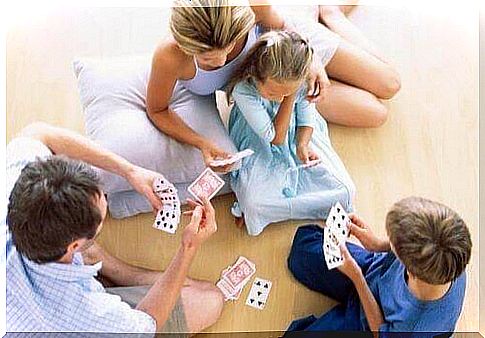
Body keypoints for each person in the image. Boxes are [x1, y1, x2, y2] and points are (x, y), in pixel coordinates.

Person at [5, 122, 223, 334]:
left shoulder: (12, 183)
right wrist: (189, 246)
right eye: (102, 211)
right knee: (210, 299)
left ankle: (95, 260)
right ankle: (98, 263)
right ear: (74, 245)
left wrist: (130, 171)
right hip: (63, 316)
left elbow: (38, 133)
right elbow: (147, 325)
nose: (106, 202)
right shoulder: (85, 311)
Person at [146, 0, 400, 174]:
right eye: (209, 59)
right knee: (375, 113)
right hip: (267, 88)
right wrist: (202, 142)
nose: (223, 61)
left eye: (231, 45)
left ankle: (330, 13)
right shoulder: (169, 57)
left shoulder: (250, 5)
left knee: (390, 84)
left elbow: (281, 27)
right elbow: (157, 110)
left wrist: (310, 59)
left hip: (287, 48)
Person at [226, 30, 355, 236]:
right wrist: (290, 95)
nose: (278, 98)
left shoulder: (300, 80)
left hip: (296, 133)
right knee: (253, 203)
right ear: (255, 75)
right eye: (272, 93)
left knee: (346, 190)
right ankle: (261, 205)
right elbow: (274, 138)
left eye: (285, 93)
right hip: (262, 139)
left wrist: (302, 144)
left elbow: (306, 118)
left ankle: (288, 206)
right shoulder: (244, 91)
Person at [286, 197, 471, 336]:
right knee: (304, 248)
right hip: (374, 273)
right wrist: (376, 244)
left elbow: (379, 332)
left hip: (373, 323)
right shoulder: (452, 253)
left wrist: (356, 277)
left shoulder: (414, 324)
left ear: (411, 269)